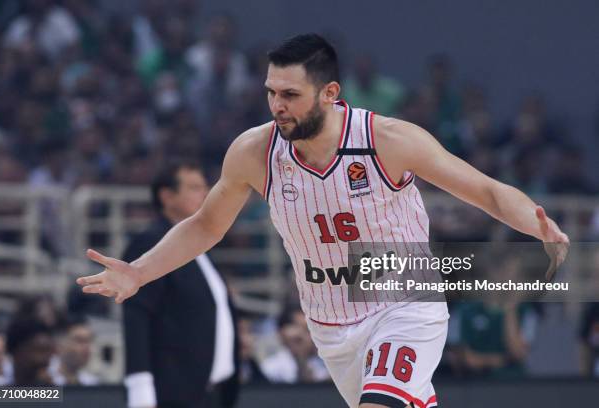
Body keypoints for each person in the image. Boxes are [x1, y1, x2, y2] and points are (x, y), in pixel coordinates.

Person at [77, 34, 569, 408]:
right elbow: (206, 225)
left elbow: (483, 189)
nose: (277, 106)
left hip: (405, 303)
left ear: (330, 92)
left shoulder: (388, 140)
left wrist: (536, 225)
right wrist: (139, 272)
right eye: (271, 92)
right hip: (330, 324)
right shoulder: (255, 151)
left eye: (290, 94)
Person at [122, 161, 239, 408]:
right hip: (171, 391)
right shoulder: (151, 242)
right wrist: (139, 384)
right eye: (195, 187)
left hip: (210, 391)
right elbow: (137, 314)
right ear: (167, 196)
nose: (205, 194)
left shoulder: (202, 246)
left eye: (206, 187)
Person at [49, 315, 99, 385]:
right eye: (79, 340)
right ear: (59, 345)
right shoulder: (44, 379)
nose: (87, 347)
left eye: (89, 341)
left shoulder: (92, 382)